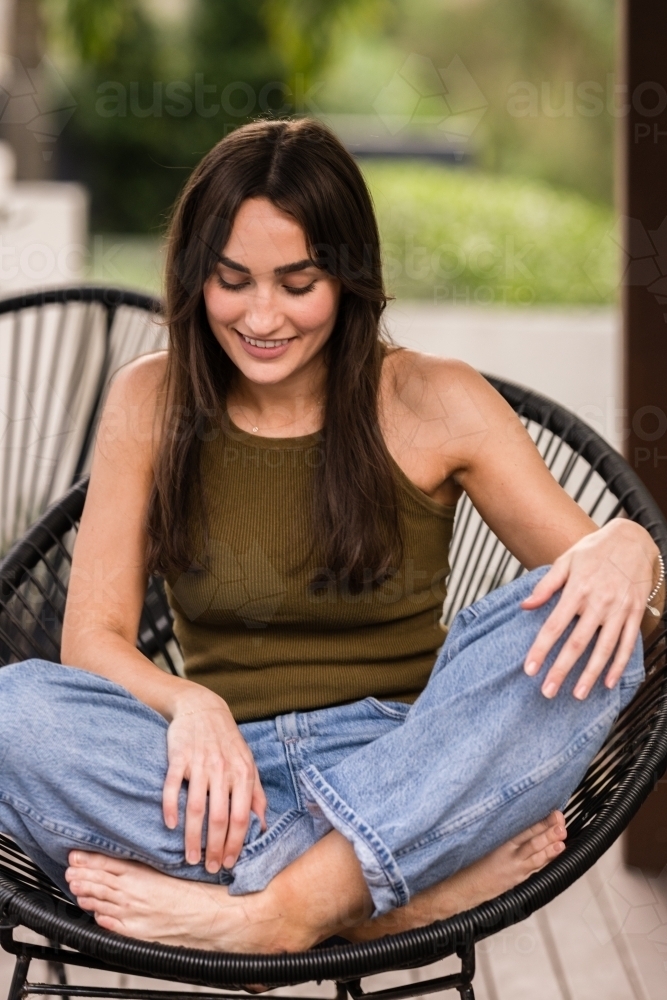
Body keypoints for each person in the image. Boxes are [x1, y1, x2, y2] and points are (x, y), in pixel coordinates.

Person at [0, 118, 662, 956]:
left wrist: (630, 550)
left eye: (297, 281)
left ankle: (269, 916)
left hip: (411, 762)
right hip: (218, 780)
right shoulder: (151, 399)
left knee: (565, 621)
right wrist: (190, 704)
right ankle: (369, 905)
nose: (261, 315)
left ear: (349, 278)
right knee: (12, 710)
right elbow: (90, 640)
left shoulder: (434, 398)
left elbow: (625, 620)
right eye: (231, 280)